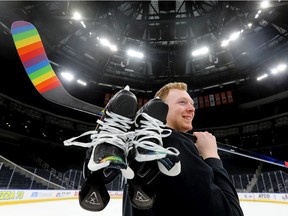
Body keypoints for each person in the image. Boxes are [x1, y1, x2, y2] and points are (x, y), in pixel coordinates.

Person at [123, 82, 244, 216]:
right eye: (182, 102)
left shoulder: (137, 148)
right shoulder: (177, 144)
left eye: (192, 104)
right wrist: (212, 156)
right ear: (160, 109)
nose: (192, 108)